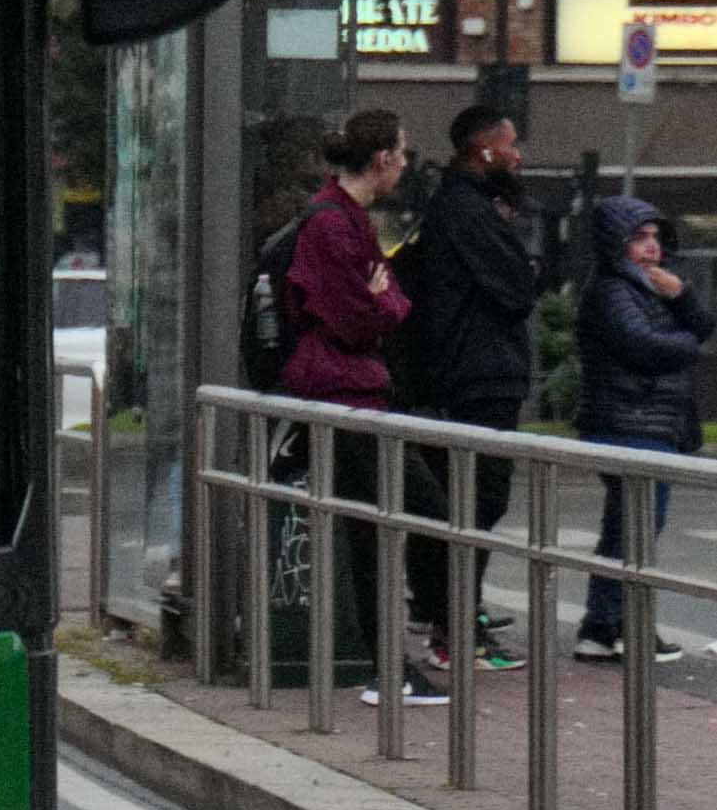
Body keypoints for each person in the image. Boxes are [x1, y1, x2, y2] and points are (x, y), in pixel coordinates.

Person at [284, 108, 429, 708]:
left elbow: (386, 294)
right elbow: (361, 315)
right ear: (381, 160)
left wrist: (384, 297)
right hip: (341, 392)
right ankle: (388, 668)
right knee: (406, 521)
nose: (405, 163)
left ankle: (392, 664)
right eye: (402, 153)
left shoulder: (349, 221)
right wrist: (385, 301)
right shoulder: (334, 227)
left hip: (353, 390)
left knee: (381, 529)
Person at [393, 102, 543, 668]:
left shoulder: (457, 206)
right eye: (510, 146)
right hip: (475, 377)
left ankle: (452, 616)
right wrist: (522, 265)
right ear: (483, 151)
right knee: (475, 501)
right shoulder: (466, 210)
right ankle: (456, 629)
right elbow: (516, 288)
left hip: (467, 374)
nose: (518, 156)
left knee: (463, 501)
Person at [576, 194, 712, 666]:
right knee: (636, 527)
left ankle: (604, 625)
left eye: (655, 237)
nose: (651, 248)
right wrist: (687, 344)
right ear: (617, 244)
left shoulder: (651, 288)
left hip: (652, 421)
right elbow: (645, 345)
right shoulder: (614, 290)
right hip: (627, 420)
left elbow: (701, 325)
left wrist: (682, 296)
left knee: (627, 527)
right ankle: (618, 625)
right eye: (639, 238)